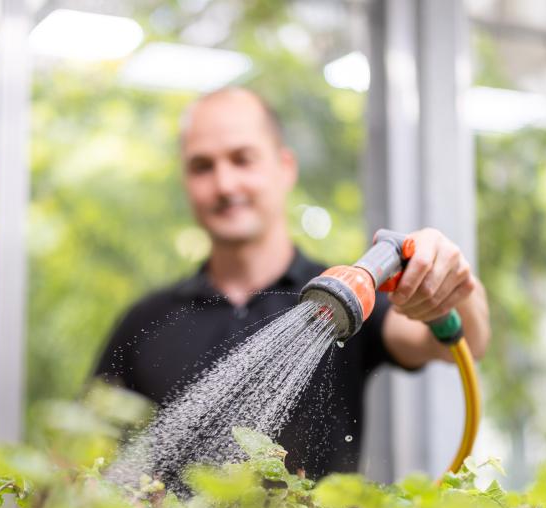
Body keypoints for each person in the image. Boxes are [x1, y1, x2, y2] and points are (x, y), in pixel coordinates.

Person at [94, 87, 490, 481]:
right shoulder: (146, 321)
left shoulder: (344, 303)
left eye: (242, 159)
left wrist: (452, 281)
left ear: (285, 167)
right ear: (186, 181)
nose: (225, 184)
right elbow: (84, 449)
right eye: (202, 166)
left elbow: (467, 343)